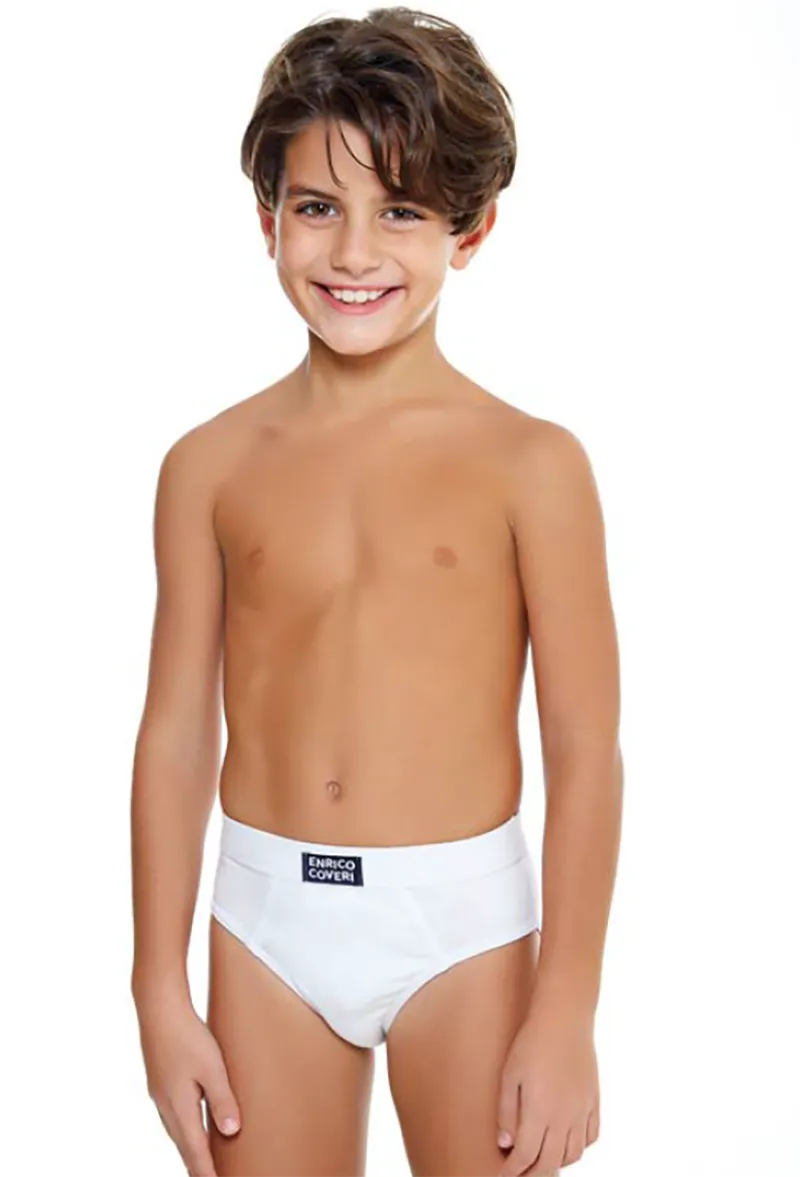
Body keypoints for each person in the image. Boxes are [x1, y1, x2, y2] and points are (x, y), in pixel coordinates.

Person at [129, 8, 623, 1177]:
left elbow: (583, 745)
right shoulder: (209, 465)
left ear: (471, 229)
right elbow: (175, 734)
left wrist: (565, 1010)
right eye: (317, 207)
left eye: (399, 211)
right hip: (265, 922)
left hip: (460, 927)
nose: (353, 252)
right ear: (266, 218)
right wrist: (156, 986)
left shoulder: (529, 464)